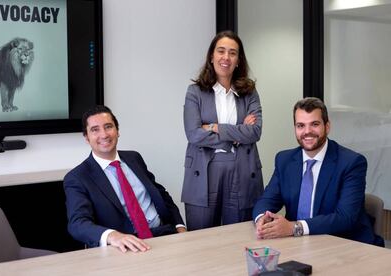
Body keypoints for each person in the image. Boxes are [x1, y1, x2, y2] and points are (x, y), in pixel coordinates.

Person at [252, 97, 384, 246]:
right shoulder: (285, 160)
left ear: (327, 127)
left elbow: (345, 218)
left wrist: (294, 228)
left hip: (345, 244)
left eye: (314, 124)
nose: (307, 132)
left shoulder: (351, 163)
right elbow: (267, 201)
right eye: (301, 125)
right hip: (300, 244)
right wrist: (262, 218)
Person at [64, 105, 186, 252]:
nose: (104, 135)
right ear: (86, 137)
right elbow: (78, 223)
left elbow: (161, 194)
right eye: (95, 130)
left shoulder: (134, 158)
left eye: (108, 127)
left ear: (117, 131)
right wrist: (113, 236)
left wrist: (179, 226)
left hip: (164, 235)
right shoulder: (77, 177)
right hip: (124, 246)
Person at [182, 30, 264, 231]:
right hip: (204, 170)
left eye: (232, 53)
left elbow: (255, 132)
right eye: (221, 51)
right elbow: (194, 134)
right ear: (212, 56)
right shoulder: (195, 92)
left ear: (238, 60)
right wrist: (237, 134)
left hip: (242, 169)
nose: (226, 57)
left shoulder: (249, 92)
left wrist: (215, 127)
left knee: (237, 238)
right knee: (200, 241)